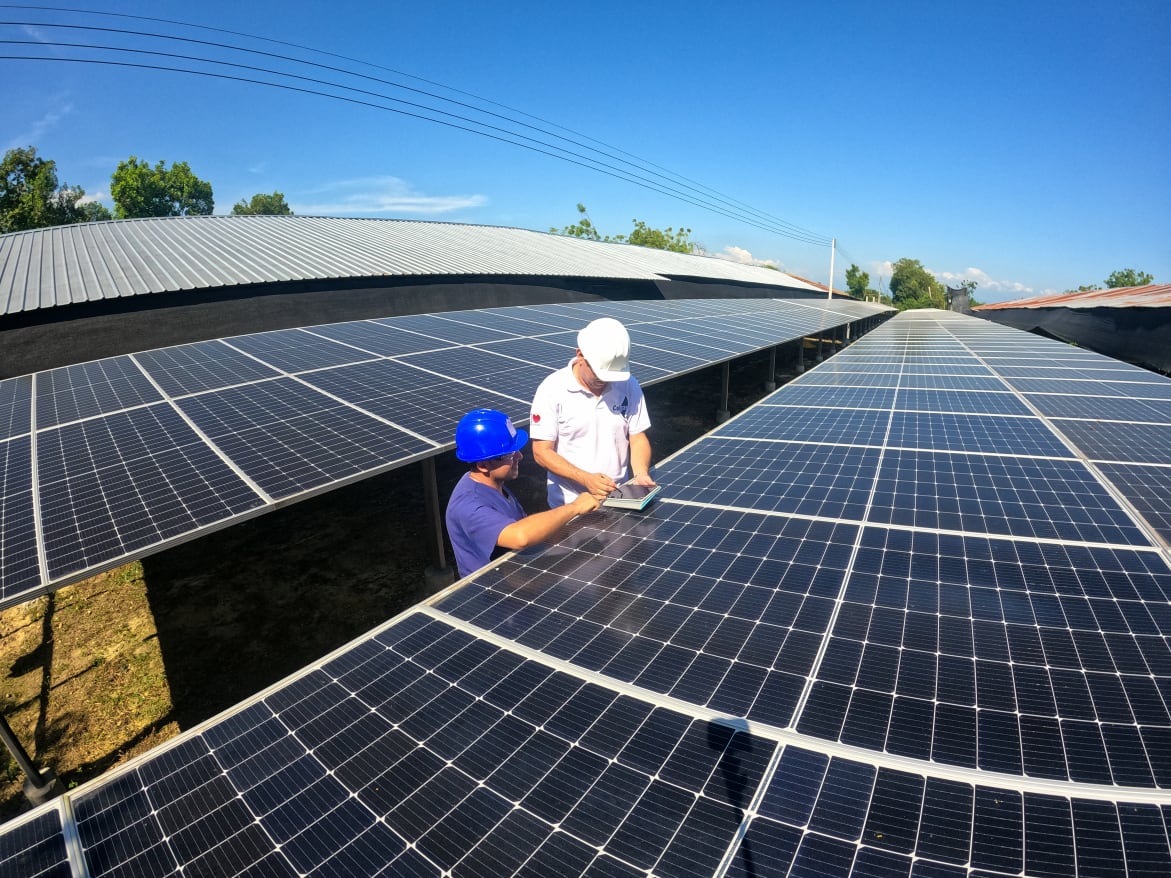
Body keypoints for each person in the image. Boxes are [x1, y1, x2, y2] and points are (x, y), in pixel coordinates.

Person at [445, 408, 599, 579]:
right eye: (510, 454)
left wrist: (578, 526)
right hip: (492, 596)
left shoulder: (493, 485)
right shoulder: (469, 506)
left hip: (515, 578)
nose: (519, 456)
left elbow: (526, 529)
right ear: (483, 465)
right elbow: (520, 536)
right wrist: (574, 507)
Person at [530, 317, 656, 508]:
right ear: (580, 355)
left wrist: (640, 473)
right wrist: (585, 479)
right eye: (598, 373)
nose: (603, 381)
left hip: (619, 499)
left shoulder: (628, 385)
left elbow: (637, 437)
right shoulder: (552, 390)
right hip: (570, 505)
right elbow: (541, 452)